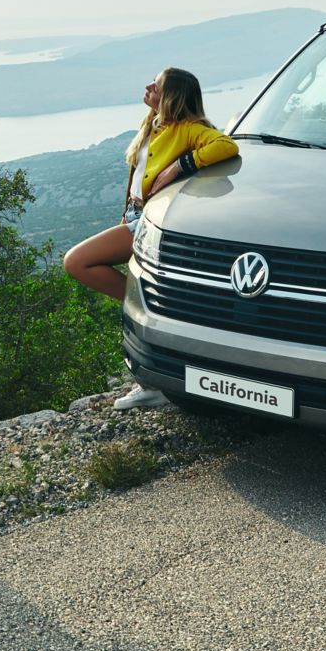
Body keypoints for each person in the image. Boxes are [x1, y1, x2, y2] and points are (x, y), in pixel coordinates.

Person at [63, 66, 239, 410]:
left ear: (171, 96)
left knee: (77, 262)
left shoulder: (190, 129)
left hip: (150, 222)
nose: (147, 87)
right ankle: (155, 374)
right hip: (134, 215)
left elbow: (225, 145)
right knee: (139, 303)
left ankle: (151, 363)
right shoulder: (155, 125)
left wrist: (180, 167)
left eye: (155, 86)